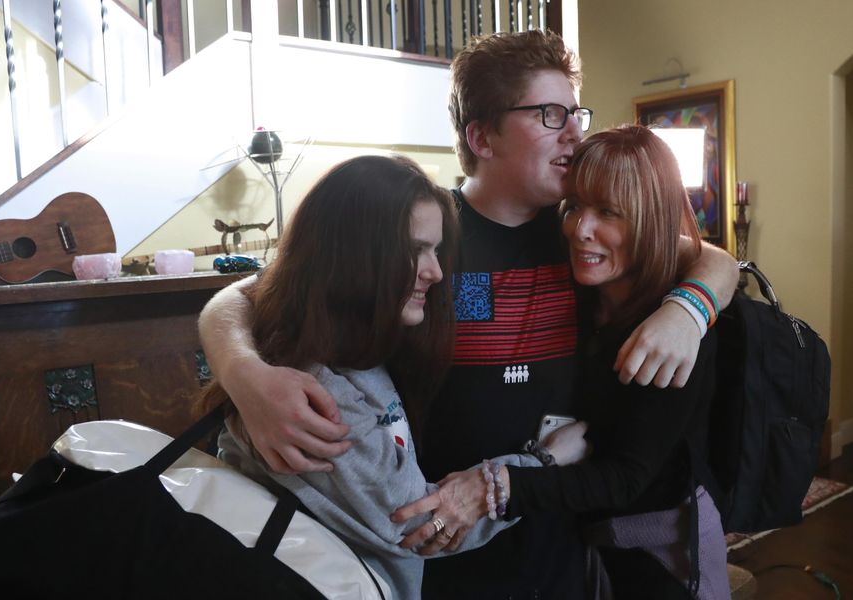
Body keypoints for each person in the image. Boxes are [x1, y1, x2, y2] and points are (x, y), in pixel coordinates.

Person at [197, 31, 740, 599]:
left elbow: (710, 258)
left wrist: (688, 309)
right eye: (550, 115)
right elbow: (244, 297)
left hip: (557, 537)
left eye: (575, 112)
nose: (576, 133)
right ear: (481, 136)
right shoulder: (426, 229)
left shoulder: (583, 235)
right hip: (435, 545)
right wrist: (244, 376)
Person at [203, 154, 566, 599]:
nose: (436, 272)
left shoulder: (355, 342)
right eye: (415, 251)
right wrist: (545, 464)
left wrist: (681, 305)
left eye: (434, 251)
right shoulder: (312, 390)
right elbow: (414, 525)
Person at [395, 125, 731, 599]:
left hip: (660, 549)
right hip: (556, 543)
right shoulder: (569, 280)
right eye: (573, 207)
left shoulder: (668, 326)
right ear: (482, 138)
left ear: (648, 220)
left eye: (608, 212)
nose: (579, 227)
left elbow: (627, 477)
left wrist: (497, 485)